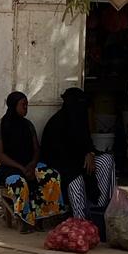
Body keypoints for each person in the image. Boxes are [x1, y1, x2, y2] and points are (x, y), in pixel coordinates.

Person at [0, 91, 63, 231]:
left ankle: (41, 217)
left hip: (28, 163)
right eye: (23, 105)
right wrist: (22, 169)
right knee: (19, 183)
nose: (26, 108)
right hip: (6, 166)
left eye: (27, 105)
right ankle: (25, 220)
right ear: (13, 106)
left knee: (52, 177)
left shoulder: (28, 125)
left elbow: (36, 149)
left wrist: (32, 164)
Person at [41, 87, 114, 226]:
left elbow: (86, 143)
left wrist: (90, 153)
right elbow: (58, 155)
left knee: (106, 160)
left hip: (81, 163)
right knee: (76, 180)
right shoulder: (56, 124)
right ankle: (81, 221)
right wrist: (82, 158)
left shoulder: (80, 120)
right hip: (64, 166)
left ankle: (99, 210)